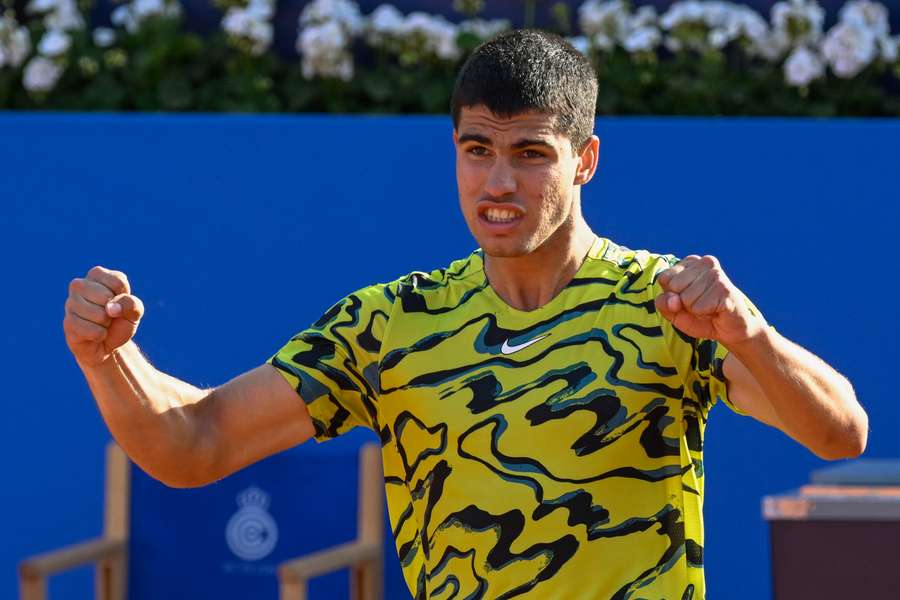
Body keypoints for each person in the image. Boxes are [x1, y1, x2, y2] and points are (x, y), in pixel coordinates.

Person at [63, 29, 867, 600]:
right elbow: (194, 445)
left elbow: (839, 434)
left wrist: (750, 334)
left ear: (584, 160)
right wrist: (109, 358)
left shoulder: (669, 305)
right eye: (477, 149)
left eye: (530, 153)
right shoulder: (389, 323)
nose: (498, 184)